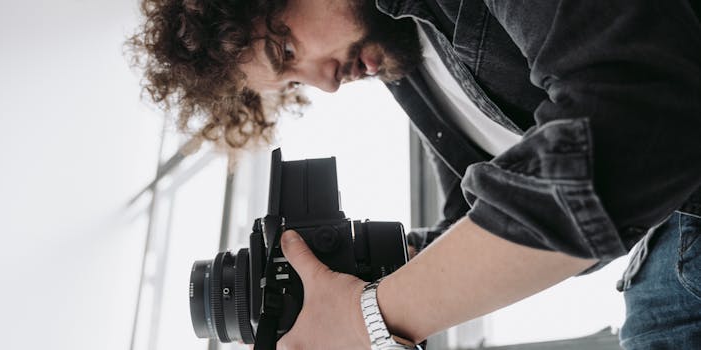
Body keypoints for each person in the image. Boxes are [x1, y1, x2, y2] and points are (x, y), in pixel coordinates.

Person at [127, 0, 701, 348]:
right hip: (662, 244)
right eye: (297, 81)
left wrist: (368, 320)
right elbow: (474, 216)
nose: (326, 83)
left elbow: (639, 117)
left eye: (285, 47)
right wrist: (344, 277)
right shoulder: (402, 61)